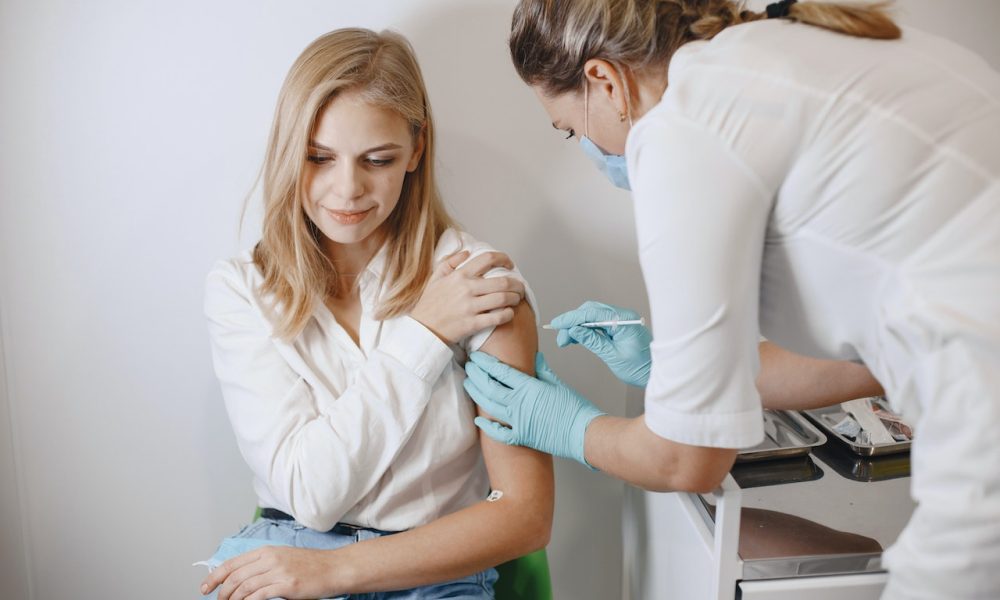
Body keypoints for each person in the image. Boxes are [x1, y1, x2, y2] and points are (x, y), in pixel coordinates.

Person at [464, 1, 1000, 598]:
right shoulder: (808, 49)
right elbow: (874, 354)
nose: (585, 147)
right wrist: (669, 368)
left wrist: (572, 428)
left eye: (569, 128)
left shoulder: (684, 127)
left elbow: (687, 461)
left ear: (604, 81)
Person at [198, 28, 553, 600]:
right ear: (291, 150)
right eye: (319, 158)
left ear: (416, 149)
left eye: (377, 160)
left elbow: (524, 516)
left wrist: (334, 572)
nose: (347, 190)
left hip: (436, 572)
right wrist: (424, 335)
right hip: (289, 550)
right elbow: (310, 496)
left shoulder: (479, 283)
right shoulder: (242, 288)